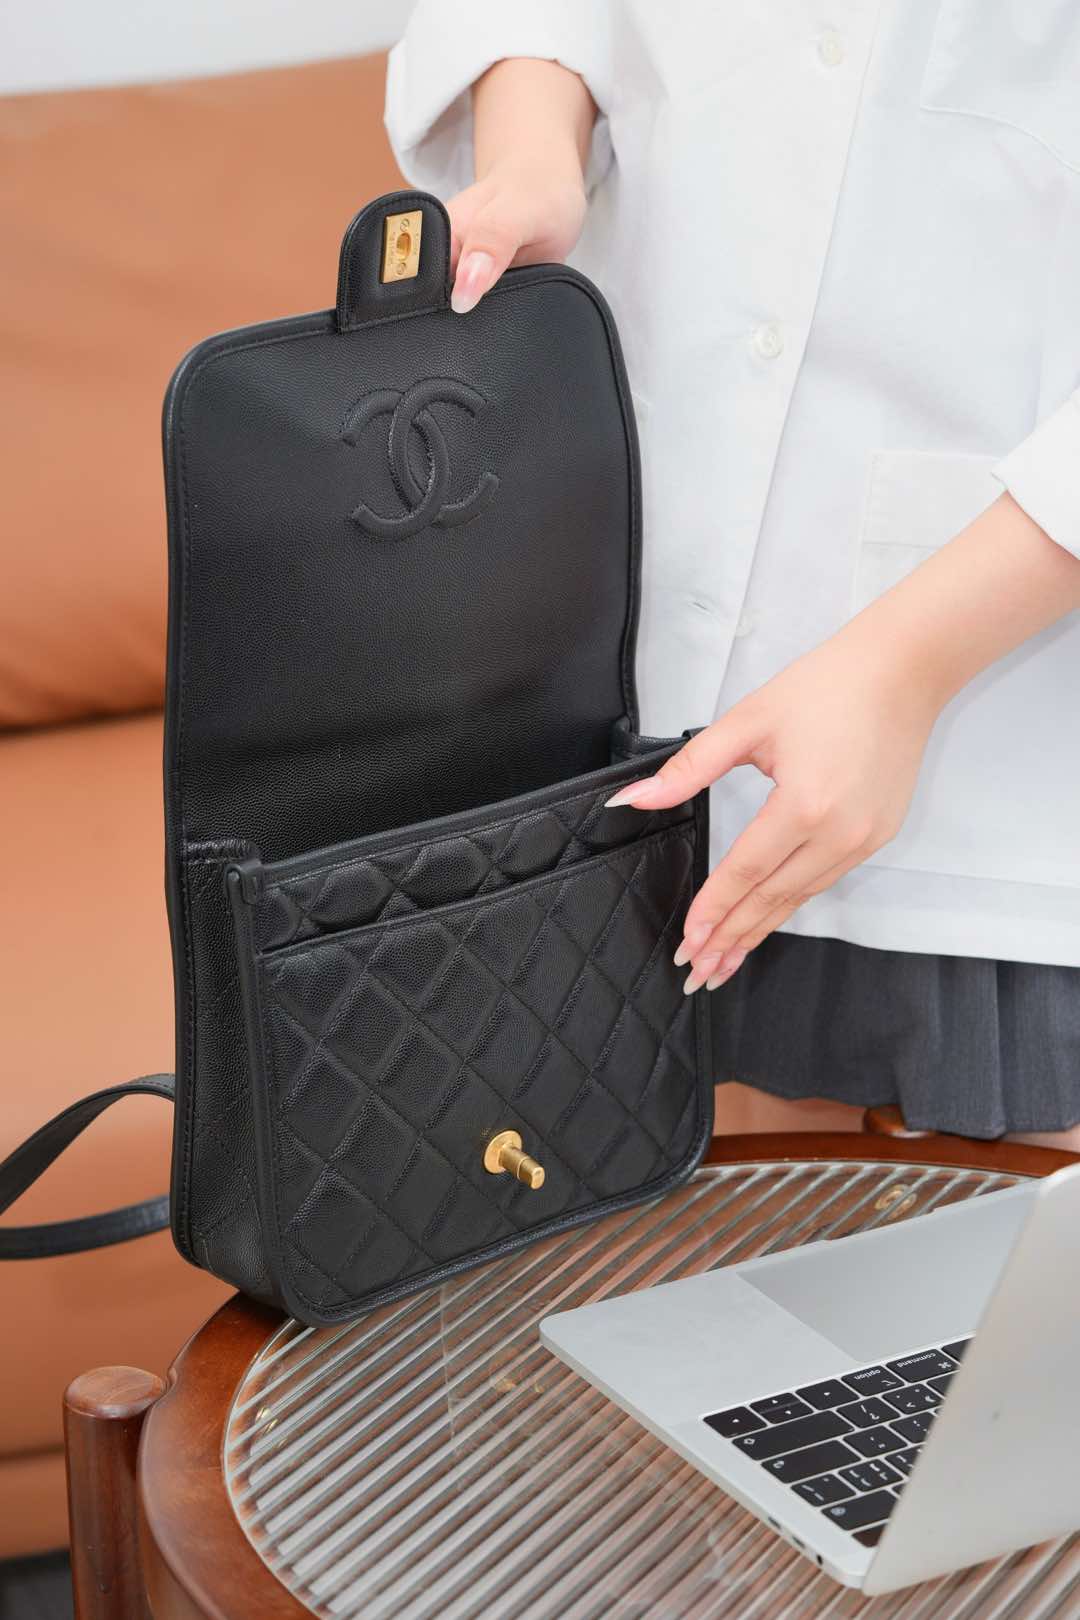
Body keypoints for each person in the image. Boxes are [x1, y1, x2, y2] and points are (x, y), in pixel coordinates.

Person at [385, 2, 1080, 1148]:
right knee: (689, 1238)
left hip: (996, 744)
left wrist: (906, 667)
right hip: (627, 703)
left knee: (985, 1253)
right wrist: (534, 147)